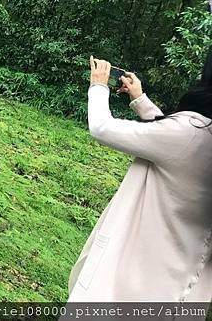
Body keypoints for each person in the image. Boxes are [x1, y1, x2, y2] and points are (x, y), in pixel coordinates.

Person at [67, 49, 212, 302]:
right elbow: (173, 142)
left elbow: (102, 127)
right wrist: (140, 100)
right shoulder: (197, 137)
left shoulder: (189, 134)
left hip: (133, 281)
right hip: (180, 289)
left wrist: (99, 86)